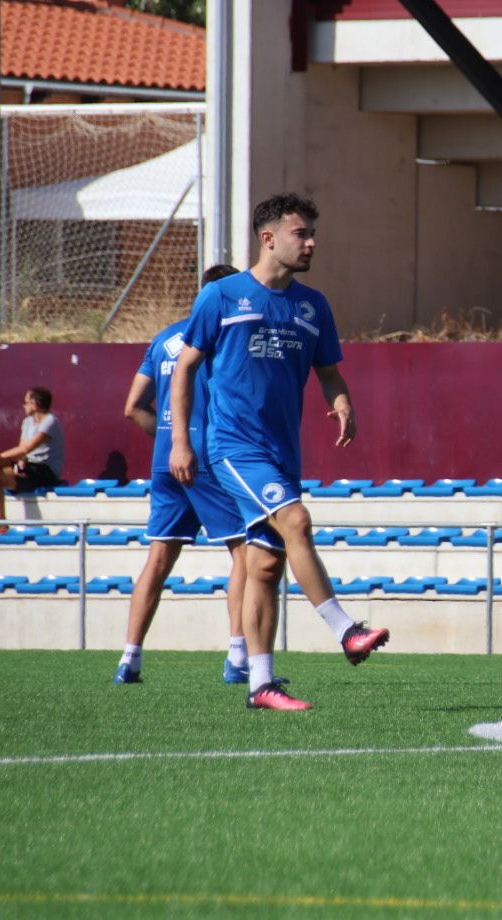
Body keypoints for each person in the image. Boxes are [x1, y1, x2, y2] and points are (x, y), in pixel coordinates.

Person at [170, 193, 387, 713]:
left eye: (313, 234)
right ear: (268, 238)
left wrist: (343, 404)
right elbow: (184, 368)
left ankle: (261, 685)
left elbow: (328, 370)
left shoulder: (314, 306)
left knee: (266, 567)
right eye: (301, 233)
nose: (311, 243)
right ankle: (345, 630)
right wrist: (181, 440)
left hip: (283, 452)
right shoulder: (220, 296)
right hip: (233, 446)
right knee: (297, 521)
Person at [113, 263, 273, 687]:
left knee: (159, 558)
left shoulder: (165, 337)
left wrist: (168, 441)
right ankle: (238, 657)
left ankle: (129, 659)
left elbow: (133, 406)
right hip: (206, 455)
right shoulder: (224, 333)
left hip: (166, 458)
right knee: (246, 552)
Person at [0, 387, 64, 531]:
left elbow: (27, 448)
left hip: (45, 471)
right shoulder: (27, 422)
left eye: (25, 402)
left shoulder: (50, 422)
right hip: (29, 466)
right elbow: (22, 449)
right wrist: (19, 464)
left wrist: (0, 457)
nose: (23, 405)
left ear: (35, 405)